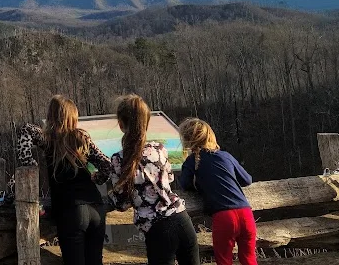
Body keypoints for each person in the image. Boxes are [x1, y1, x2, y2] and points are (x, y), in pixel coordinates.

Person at [17, 95, 112, 265]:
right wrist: (97, 178)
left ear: (52, 115)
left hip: (71, 209)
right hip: (96, 207)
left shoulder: (49, 139)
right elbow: (106, 164)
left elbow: (26, 129)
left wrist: (29, 162)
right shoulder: (82, 139)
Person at [107, 95, 199, 265]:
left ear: (121, 124)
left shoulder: (119, 160)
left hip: (157, 230)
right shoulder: (159, 148)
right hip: (182, 219)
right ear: (146, 122)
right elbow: (169, 178)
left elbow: (121, 203)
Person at [179, 118, 256, 265]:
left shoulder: (191, 162)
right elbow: (247, 179)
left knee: (224, 260)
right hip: (246, 213)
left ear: (188, 141)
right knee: (249, 259)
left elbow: (184, 184)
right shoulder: (225, 156)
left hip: (223, 216)